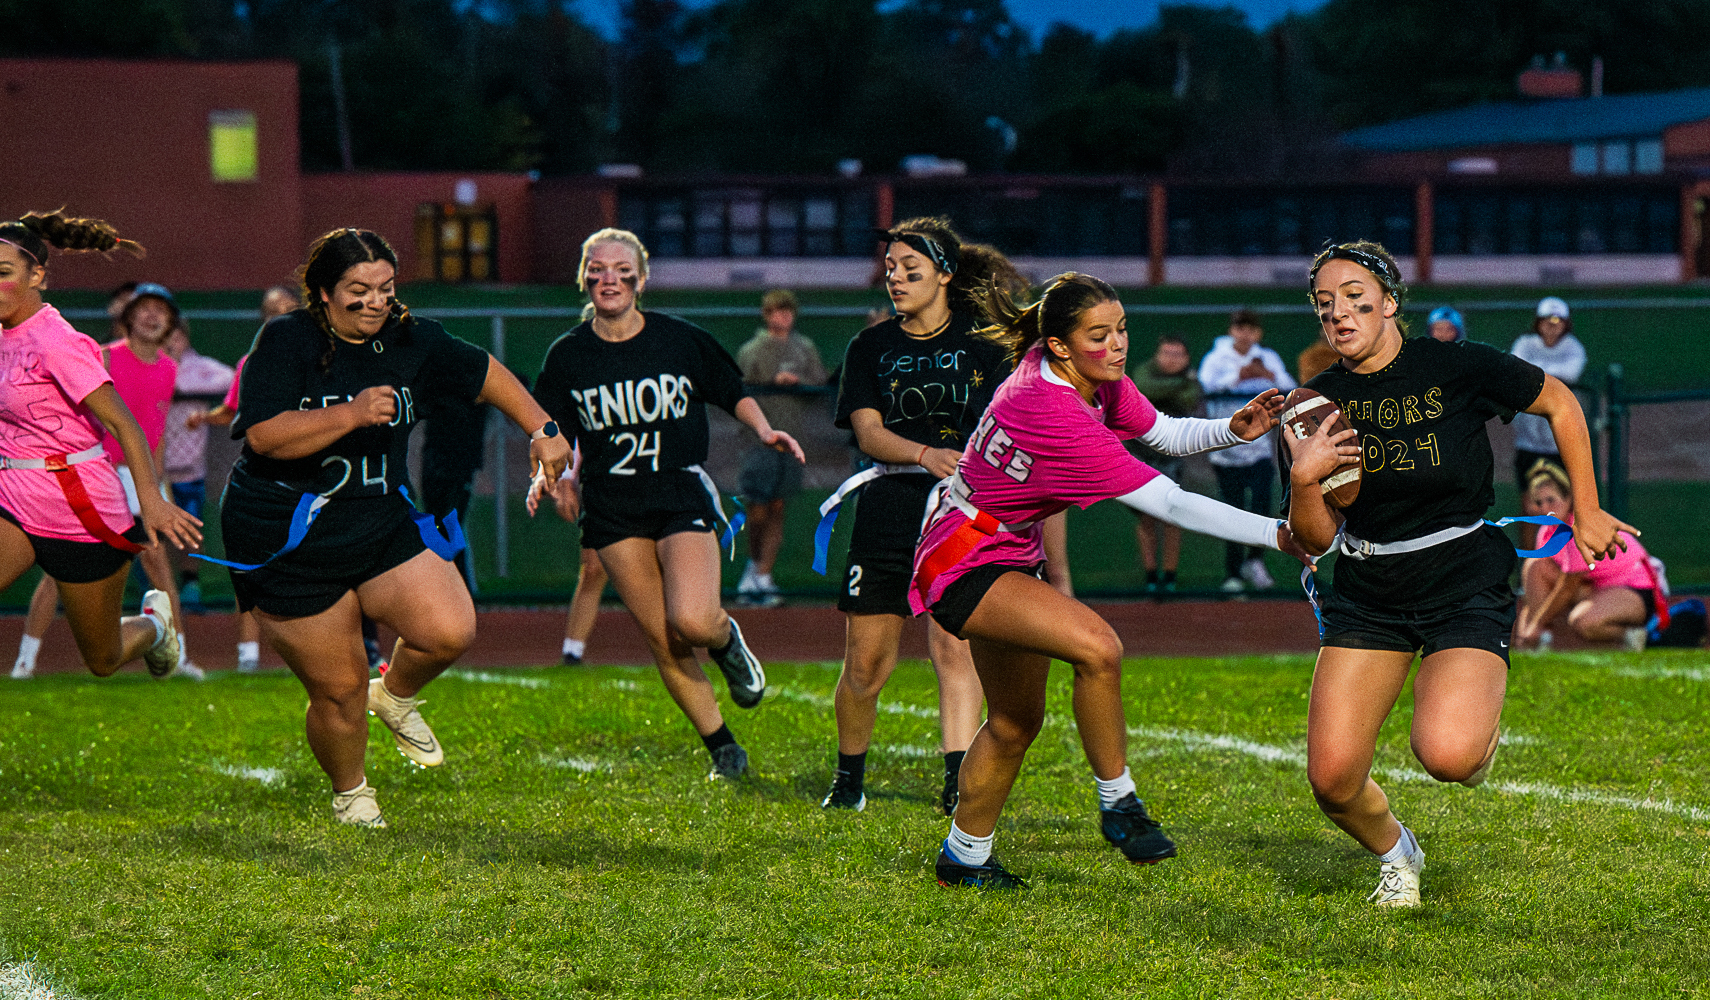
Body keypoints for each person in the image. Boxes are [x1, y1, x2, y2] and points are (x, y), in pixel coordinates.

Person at [911, 272, 1304, 888]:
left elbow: (1164, 433)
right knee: (1099, 648)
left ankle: (963, 858)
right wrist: (1278, 533)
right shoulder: (1051, 411)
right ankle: (1120, 804)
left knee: (1014, 723)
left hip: (999, 543)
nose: (1117, 345)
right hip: (966, 553)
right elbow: (1169, 503)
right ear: (1060, 345)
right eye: (1099, 335)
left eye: (1121, 329)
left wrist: (1230, 429)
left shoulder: (1077, 371)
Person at [1282, 241, 1631, 908]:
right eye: (1325, 304)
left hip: (1462, 581)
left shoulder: (1455, 364)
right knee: (1332, 781)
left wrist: (1586, 507)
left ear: (1389, 302)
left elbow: (1561, 402)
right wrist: (1303, 480)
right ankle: (1398, 853)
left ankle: (1475, 732)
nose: (1338, 314)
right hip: (1369, 591)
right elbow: (1316, 538)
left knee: (1448, 756)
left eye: (1354, 298)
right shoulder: (1316, 405)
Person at [218, 228, 570, 827]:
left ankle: (396, 694)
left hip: (376, 514)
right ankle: (352, 796)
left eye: (386, 287)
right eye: (359, 289)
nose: (376, 301)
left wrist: (543, 429)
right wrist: (352, 413)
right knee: (340, 689)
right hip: (283, 532)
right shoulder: (286, 338)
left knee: (448, 630)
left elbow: (484, 371)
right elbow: (265, 436)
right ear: (323, 291)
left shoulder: (409, 337)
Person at [531, 228, 800, 780]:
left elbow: (731, 389)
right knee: (664, 638)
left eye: (621, 269)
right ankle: (723, 747)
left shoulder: (678, 338)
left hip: (677, 490)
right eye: (598, 269)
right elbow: (551, 431)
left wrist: (763, 429)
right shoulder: (568, 355)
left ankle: (726, 640)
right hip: (612, 505)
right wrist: (550, 476)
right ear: (584, 278)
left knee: (693, 621)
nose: (609, 278)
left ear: (641, 279)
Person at [820, 216, 1026, 815]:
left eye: (911, 269)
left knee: (954, 647)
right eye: (890, 269)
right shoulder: (870, 347)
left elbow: (1011, 422)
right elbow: (867, 433)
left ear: (945, 274)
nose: (896, 279)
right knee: (866, 664)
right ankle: (849, 780)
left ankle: (957, 781)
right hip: (890, 505)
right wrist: (923, 454)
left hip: (963, 509)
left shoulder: (986, 344)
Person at [0, 210, 201, 682]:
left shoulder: (59, 342)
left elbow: (124, 425)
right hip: (15, 496)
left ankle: (155, 628)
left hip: (79, 507)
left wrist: (151, 500)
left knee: (103, 659)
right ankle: (26, 662)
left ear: (37, 276)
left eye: (3, 272)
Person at [186, 287, 296, 672]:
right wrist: (205, 417)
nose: (281, 316)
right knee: (249, 568)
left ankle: (312, 651)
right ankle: (248, 655)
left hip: (310, 481)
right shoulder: (250, 363)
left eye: (288, 309)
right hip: (261, 481)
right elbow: (232, 410)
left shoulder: (321, 359)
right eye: (272, 311)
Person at [735, 289, 827, 607]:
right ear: (766, 315)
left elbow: (820, 384)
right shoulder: (752, 350)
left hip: (792, 443)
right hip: (758, 442)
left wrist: (798, 381)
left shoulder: (805, 347)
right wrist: (771, 383)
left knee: (777, 508)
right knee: (757, 509)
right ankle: (753, 570)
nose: (783, 316)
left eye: (788, 311)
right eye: (777, 311)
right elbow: (739, 392)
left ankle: (763, 576)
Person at [1198, 308, 1295, 593]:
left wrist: (1267, 374)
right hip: (1225, 450)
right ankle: (1233, 572)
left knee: (1262, 505)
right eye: (1240, 328)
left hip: (1260, 449)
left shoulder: (1268, 357)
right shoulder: (1216, 358)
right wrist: (1237, 376)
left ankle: (1255, 562)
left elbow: (1290, 388)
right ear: (1231, 331)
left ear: (1258, 333)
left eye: (1251, 328)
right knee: (1232, 509)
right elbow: (1204, 386)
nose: (1245, 334)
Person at [1516, 461, 1659, 653]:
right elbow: (1537, 582)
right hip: (1596, 587)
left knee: (1583, 621)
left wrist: (1535, 624)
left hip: (1635, 590)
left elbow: (1567, 587)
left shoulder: (1579, 529)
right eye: (1539, 502)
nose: (1545, 508)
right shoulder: (1546, 531)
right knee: (1534, 567)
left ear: (1568, 498)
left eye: (1551, 500)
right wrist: (1527, 626)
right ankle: (1539, 641)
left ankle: (1632, 636)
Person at [162, 320, 235, 610]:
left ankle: (190, 586)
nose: (171, 343)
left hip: (191, 470)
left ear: (185, 338)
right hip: (155, 471)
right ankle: (160, 591)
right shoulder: (151, 368)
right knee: (156, 537)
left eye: (176, 337)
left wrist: (186, 386)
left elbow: (231, 379)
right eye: (166, 337)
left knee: (191, 532)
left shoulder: (201, 368)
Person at [1509, 297, 1586, 549]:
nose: (1552, 327)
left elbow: (1572, 372)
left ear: (1565, 324)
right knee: (1530, 507)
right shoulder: (1525, 343)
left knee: (1565, 507)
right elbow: (1516, 368)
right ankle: (1528, 563)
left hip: (1561, 445)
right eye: (1546, 321)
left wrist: (1536, 373)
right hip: (1529, 443)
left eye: (1557, 321)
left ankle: (1564, 560)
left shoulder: (1572, 347)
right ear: (1538, 323)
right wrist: (1551, 374)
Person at [1127, 335, 1202, 594]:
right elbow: (1146, 388)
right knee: (1146, 517)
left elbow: (1190, 399)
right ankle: (1151, 577)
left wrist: (1180, 388)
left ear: (1187, 358)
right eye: (1166, 353)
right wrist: (1182, 382)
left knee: (1172, 514)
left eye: (1177, 354)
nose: (1171, 359)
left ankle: (1169, 577)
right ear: (1157, 355)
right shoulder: (1144, 371)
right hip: (1139, 455)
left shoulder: (1192, 383)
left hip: (1172, 458)